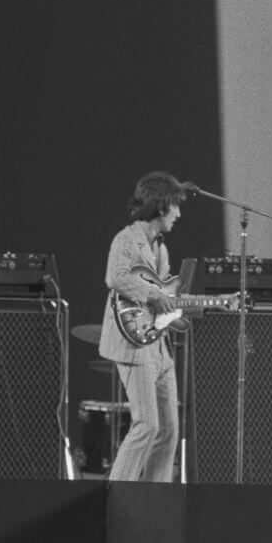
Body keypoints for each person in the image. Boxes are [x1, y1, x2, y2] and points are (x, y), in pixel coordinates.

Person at [98, 171, 187, 482]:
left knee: (169, 431)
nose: (178, 213)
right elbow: (116, 278)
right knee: (147, 424)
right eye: (175, 206)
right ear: (161, 206)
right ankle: (117, 493)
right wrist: (153, 295)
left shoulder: (159, 247)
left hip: (156, 345)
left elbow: (160, 296)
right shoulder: (126, 239)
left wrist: (177, 311)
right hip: (133, 343)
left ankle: (155, 496)